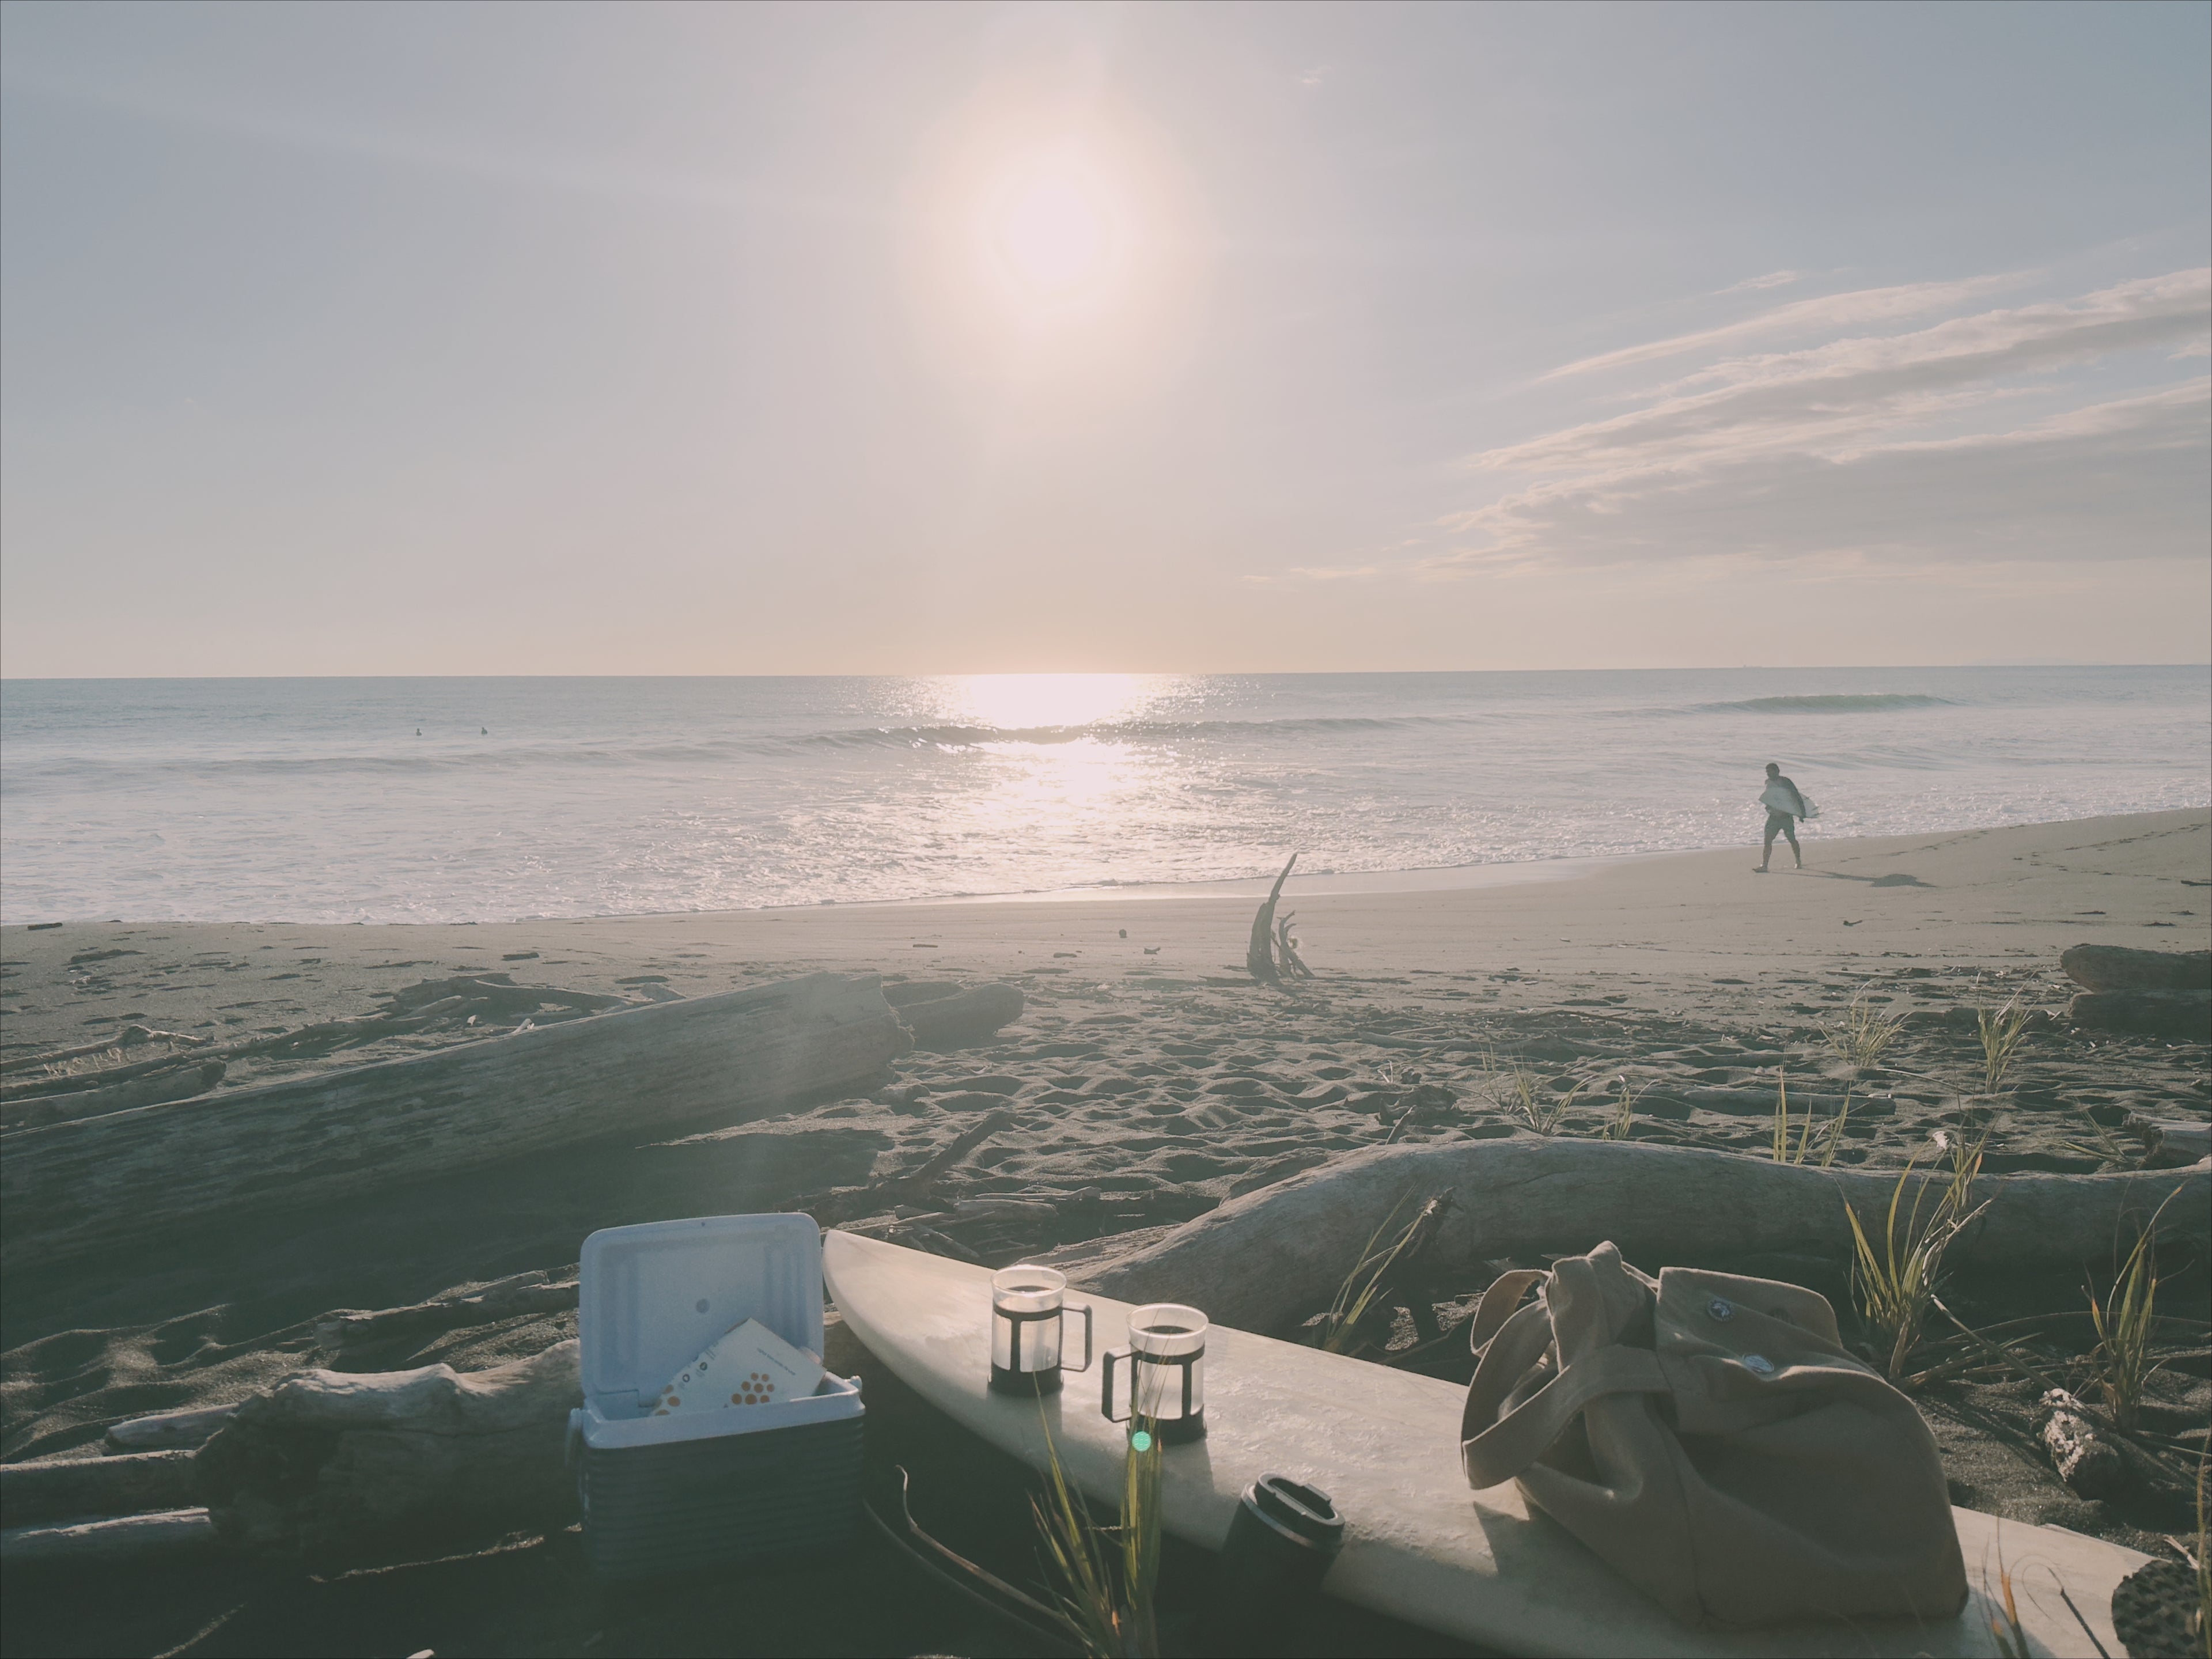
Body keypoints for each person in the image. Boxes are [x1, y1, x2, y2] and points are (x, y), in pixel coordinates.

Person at [1756, 762, 1808, 873]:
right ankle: (1765, 865)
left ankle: (1798, 861)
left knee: (1792, 839)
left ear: (1777, 771)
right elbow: (1771, 797)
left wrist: (1801, 813)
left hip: (1786, 817)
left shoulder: (1785, 782)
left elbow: (1796, 796)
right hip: (1773, 817)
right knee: (1767, 840)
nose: (1768, 774)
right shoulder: (1768, 783)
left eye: (1770, 771)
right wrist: (1768, 806)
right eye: (1767, 772)